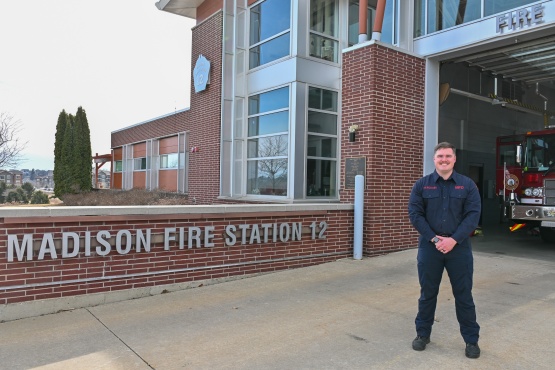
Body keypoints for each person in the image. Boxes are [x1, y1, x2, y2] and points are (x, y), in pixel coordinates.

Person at [408, 142, 481, 359]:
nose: (444, 159)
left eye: (448, 156)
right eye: (440, 156)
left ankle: (471, 340)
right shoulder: (422, 185)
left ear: (454, 159)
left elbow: (473, 215)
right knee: (427, 294)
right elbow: (415, 214)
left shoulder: (468, 186)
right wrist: (433, 237)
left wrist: (454, 240)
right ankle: (422, 334)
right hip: (430, 249)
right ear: (434, 159)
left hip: (459, 250)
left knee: (464, 295)